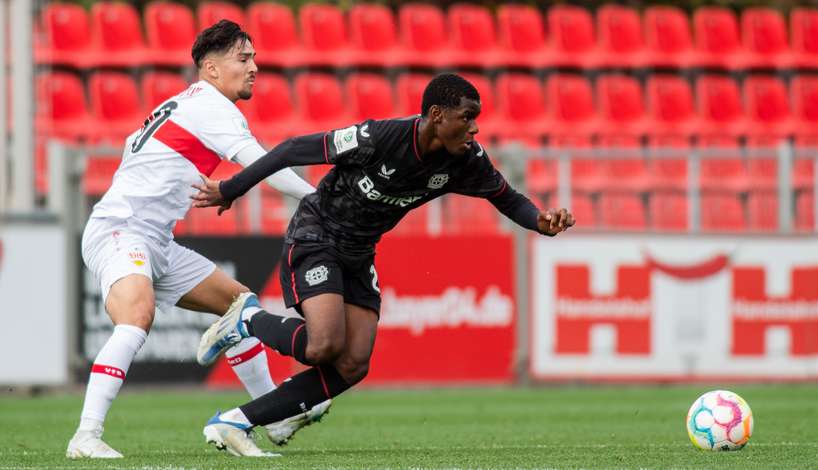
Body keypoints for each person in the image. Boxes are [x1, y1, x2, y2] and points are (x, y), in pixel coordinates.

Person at [191, 73, 575, 457]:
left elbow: (507, 198)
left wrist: (539, 220)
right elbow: (292, 149)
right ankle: (246, 319)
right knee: (324, 345)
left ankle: (235, 421)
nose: (475, 127)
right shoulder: (380, 138)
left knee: (354, 363)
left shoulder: (465, 160)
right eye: (467, 116)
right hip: (317, 234)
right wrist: (231, 187)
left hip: (359, 251)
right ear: (437, 115)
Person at [66, 20, 329, 459]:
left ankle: (275, 414)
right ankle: (85, 436)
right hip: (121, 228)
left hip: (155, 239)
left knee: (238, 305)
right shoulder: (211, 108)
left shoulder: (191, 103)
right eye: (243, 59)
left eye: (255, 58)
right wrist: (322, 200)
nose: (254, 68)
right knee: (137, 315)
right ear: (210, 68)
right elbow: (267, 168)